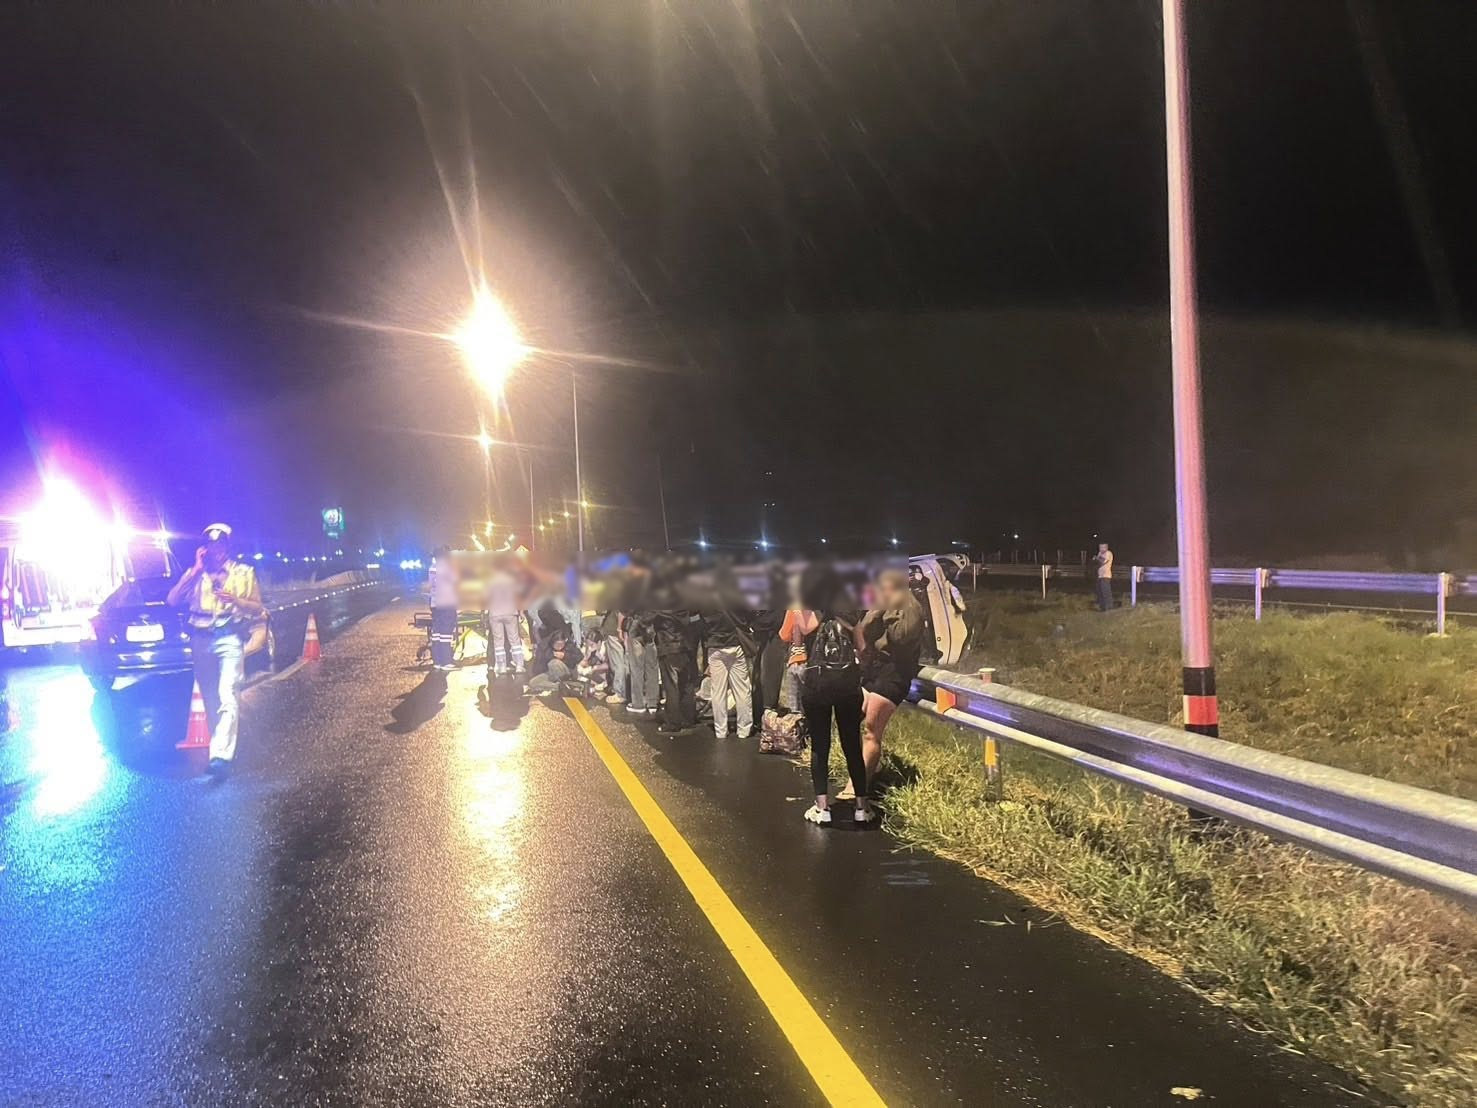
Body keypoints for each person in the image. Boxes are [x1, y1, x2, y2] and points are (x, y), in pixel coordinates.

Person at [167, 523, 264, 778]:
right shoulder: (196, 575)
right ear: (204, 549)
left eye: (220, 545)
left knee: (227, 692)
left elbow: (257, 607)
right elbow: (172, 600)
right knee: (210, 697)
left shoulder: (244, 573)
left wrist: (236, 601)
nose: (215, 550)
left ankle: (220, 755)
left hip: (229, 637)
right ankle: (218, 747)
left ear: (228, 547)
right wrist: (195, 570)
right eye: (211, 545)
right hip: (201, 640)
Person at [794, 564, 871, 826]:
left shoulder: (810, 610)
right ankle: (861, 808)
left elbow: (801, 632)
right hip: (847, 686)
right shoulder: (850, 613)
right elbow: (861, 647)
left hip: (817, 687)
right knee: (852, 745)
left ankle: (822, 808)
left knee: (820, 746)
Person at [856, 568, 926, 792]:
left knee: (871, 729)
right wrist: (876, 611)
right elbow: (865, 631)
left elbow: (900, 638)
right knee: (852, 717)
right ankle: (869, 768)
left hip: (895, 671)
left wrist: (887, 612)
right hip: (874, 668)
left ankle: (858, 787)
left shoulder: (910, 606)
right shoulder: (880, 601)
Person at [700, 575, 755, 740]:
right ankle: (744, 729)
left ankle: (720, 730)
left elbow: (701, 619)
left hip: (715, 645)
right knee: (742, 689)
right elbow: (749, 615)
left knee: (718, 691)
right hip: (736, 643)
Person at [484, 553, 525, 677]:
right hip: (510, 612)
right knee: (514, 640)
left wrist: (485, 612)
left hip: (495, 613)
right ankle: (519, 665)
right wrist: (521, 611)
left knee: (498, 642)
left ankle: (501, 667)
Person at [426, 546, 459, 671]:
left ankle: (437, 661)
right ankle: (446, 662)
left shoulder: (432, 568)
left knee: (437, 633)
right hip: (447, 603)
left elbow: (430, 585)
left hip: (435, 604)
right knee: (446, 633)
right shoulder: (448, 568)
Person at [1094, 541, 1114, 611]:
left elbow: (1103, 561)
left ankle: (1109, 607)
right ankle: (1102, 607)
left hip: (1106, 575)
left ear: (1106, 547)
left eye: (1103, 547)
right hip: (1100, 575)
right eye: (1100, 547)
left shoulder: (1108, 553)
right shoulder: (1100, 553)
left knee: (1106, 592)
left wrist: (1097, 558)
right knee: (1100, 592)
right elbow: (1097, 563)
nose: (1101, 549)